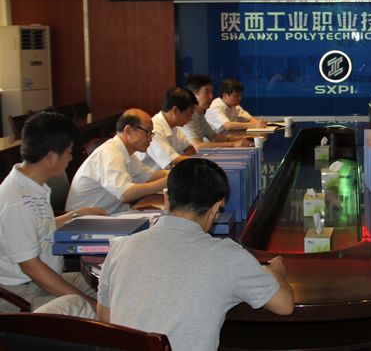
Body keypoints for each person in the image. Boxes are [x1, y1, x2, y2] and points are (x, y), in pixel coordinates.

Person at [96, 158, 294, 351]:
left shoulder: (121, 248)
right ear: (216, 207)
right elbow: (284, 306)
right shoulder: (228, 257)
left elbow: (105, 317)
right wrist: (275, 272)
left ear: (166, 199)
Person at [0, 112, 106, 313]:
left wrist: (75, 215)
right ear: (50, 157)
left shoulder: (31, 185)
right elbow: (31, 267)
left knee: (109, 290)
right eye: (69, 152)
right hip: (21, 294)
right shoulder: (16, 201)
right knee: (90, 307)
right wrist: (87, 302)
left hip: (41, 279)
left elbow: (39, 227)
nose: (71, 157)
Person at [65, 109, 169, 215]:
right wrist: (166, 182)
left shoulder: (125, 152)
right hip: (85, 221)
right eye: (147, 132)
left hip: (111, 215)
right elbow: (125, 194)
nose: (150, 139)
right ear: (128, 131)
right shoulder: (109, 153)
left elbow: (150, 176)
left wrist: (175, 174)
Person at [183, 75, 252, 149]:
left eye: (211, 92)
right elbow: (197, 146)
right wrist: (234, 144)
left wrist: (239, 139)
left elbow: (214, 137)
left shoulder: (199, 114)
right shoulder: (185, 116)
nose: (211, 96)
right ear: (193, 95)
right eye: (206, 92)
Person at [137, 87, 197, 170]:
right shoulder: (154, 129)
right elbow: (172, 161)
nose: (190, 119)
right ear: (175, 110)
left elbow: (191, 149)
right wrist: (191, 161)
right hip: (151, 176)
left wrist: (181, 162)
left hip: (167, 173)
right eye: (188, 114)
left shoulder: (174, 126)